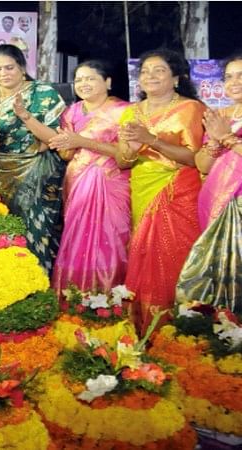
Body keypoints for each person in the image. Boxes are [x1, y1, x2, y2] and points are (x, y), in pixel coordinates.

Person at [116, 48, 205, 334]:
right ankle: (143, 326)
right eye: (145, 71)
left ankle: (177, 329)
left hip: (178, 192)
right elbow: (122, 161)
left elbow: (195, 158)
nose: (150, 76)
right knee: (143, 255)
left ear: (176, 78)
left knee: (171, 257)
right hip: (142, 188)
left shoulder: (191, 109)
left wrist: (150, 140)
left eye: (159, 70)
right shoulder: (131, 112)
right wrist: (129, 150)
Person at [0, 44, 66, 275]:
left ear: (22, 68)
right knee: (6, 231)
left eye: (10, 67)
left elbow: (57, 138)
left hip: (40, 169)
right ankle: (12, 284)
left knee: (39, 230)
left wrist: (26, 118)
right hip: (0, 173)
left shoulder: (43, 93)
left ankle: (40, 282)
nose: (4, 73)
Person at [48, 60, 131, 295]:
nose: (84, 84)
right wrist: (66, 145)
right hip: (77, 184)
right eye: (79, 79)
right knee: (77, 241)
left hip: (112, 184)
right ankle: (74, 298)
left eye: (91, 78)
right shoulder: (71, 112)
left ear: (108, 82)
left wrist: (81, 141)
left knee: (112, 240)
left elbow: (125, 156)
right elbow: (65, 154)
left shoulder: (124, 111)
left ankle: (109, 299)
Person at [177, 54, 242, 313]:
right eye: (229, 77)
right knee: (216, 268)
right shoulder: (219, 115)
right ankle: (220, 332)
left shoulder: (222, 124)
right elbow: (202, 164)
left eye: (241, 76)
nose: (234, 82)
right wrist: (215, 142)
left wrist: (226, 136)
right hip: (215, 200)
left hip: (238, 202)